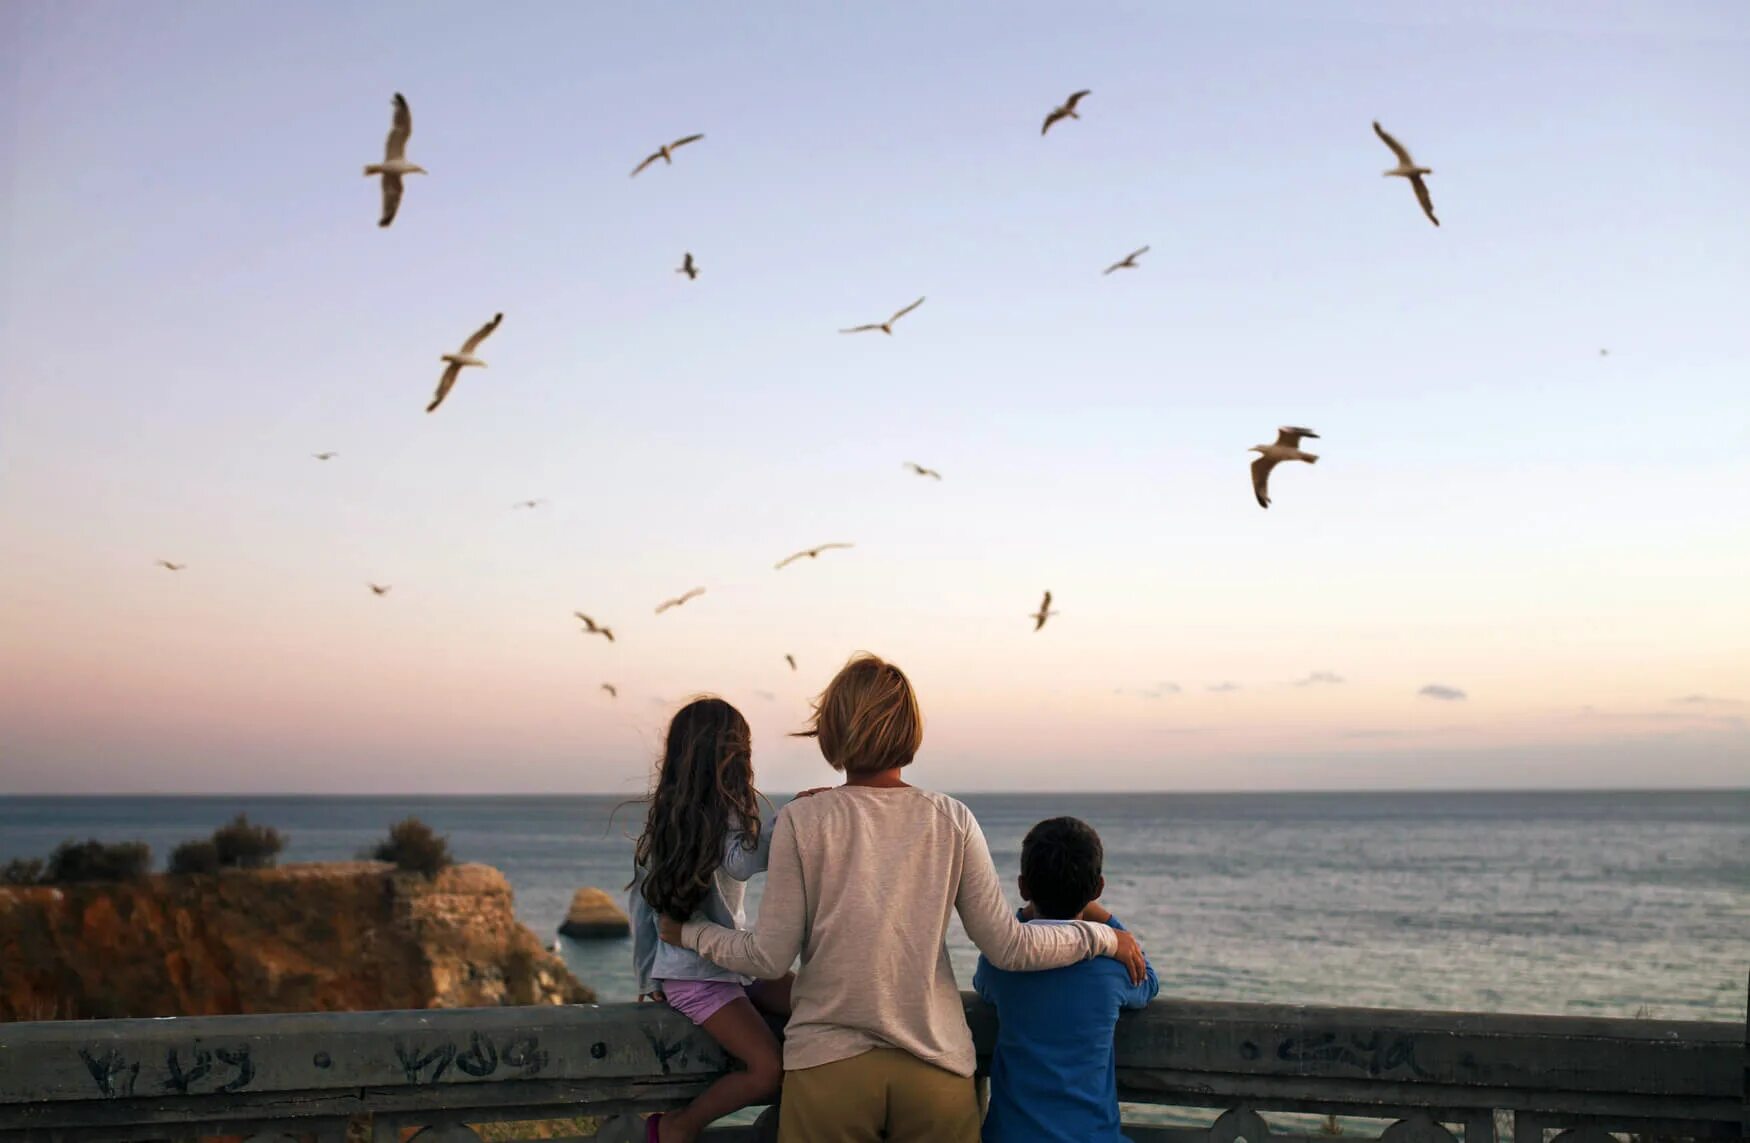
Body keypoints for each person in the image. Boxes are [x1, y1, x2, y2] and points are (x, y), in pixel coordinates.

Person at [659, 653, 1148, 1143]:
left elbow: (767, 957)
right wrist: (1101, 936)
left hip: (830, 1067)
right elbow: (1011, 948)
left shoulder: (803, 820)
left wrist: (690, 932)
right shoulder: (951, 818)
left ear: (831, 730)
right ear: (909, 729)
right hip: (934, 1068)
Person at [628, 697, 792, 1143]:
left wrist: (646, 977)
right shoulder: (730, 811)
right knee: (767, 1070)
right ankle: (678, 1127)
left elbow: (640, 913)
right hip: (697, 976)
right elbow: (742, 863)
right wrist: (792, 820)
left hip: (732, 964)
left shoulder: (666, 815)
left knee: (820, 1001)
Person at [972, 816, 1159, 1142]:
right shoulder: (1112, 968)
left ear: (1023, 887)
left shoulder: (1001, 964)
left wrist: (1021, 918)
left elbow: (984, 983)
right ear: (1098, 888)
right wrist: (1109, 924)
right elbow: (1148, 981)